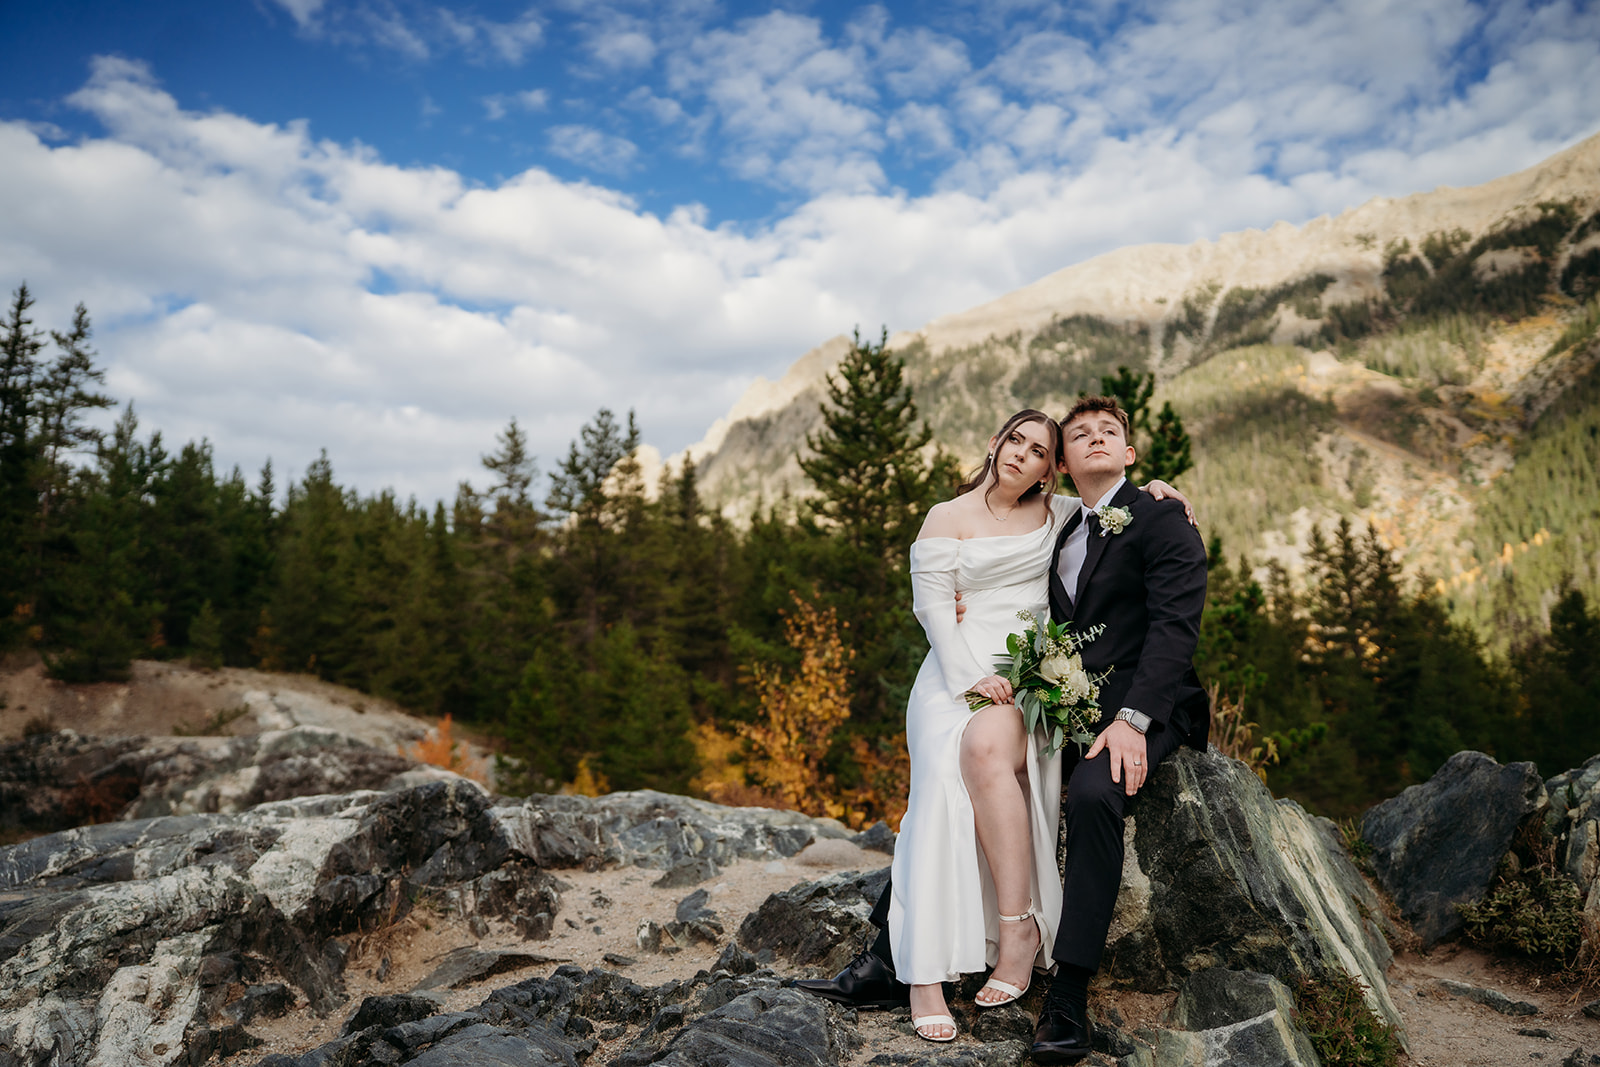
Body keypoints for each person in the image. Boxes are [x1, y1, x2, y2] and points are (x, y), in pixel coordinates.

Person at [795, 406, 1196, 1046]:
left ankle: (1043, 964)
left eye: (1040, 450)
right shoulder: (975, 517)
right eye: (1020, 441)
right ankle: (906, 962)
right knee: (947, 779)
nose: (1025, 456)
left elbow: (1165, 607)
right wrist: (964, 671)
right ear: (998, 443)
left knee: (1017, 769)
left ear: (1054, 467)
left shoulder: (1090, 514)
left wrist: (1159, 492)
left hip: (1048, 688)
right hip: (965, 677)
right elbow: (934, 610)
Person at [1029, 395, 1209, 1064]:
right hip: (1071, 705)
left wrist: (1134, 719)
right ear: (1063, 460)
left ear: (1130, 454)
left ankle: (1067, 995)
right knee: (987, 767)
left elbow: (1175, 626)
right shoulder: (1054, 527)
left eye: (1111, 431)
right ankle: (895, 945)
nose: (1097, 438)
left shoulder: (1161, 515)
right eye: (1081, 434)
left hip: (1152, 703)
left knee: (1097, 793)